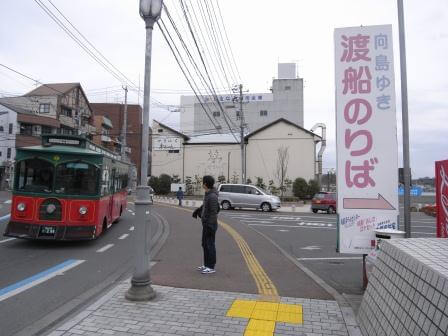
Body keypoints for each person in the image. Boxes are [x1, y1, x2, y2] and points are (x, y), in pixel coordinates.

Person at [192, 175, 219, 274]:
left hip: (210, 225)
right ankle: (206, 264)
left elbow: (213, 212)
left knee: (210, 245)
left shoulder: (212, 196)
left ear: (206, 184)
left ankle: (211, 267)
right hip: (206, 224)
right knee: (204, 244)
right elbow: (205, 207)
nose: (202, 184)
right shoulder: (208, 194)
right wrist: (198, 211)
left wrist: (210, 225)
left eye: (203, 182)